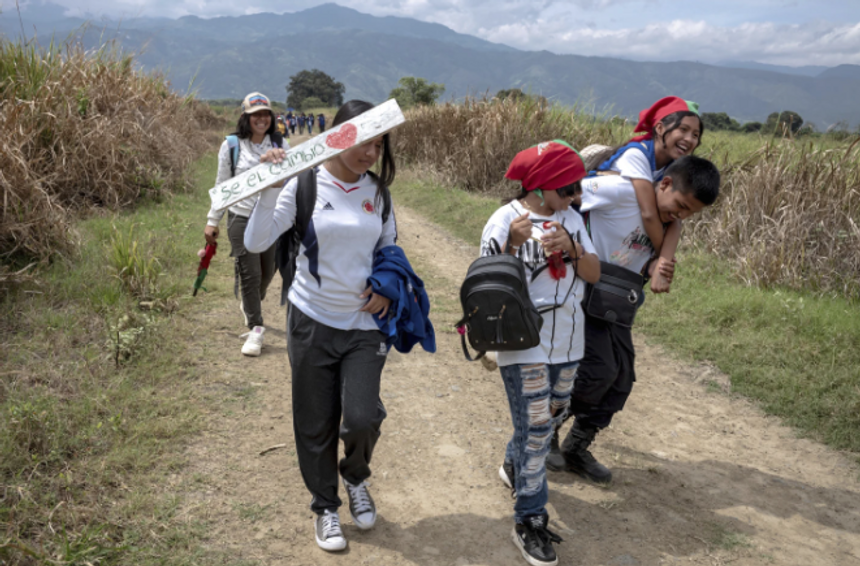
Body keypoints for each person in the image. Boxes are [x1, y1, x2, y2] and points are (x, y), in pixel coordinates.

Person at [245, 100, 400, 553]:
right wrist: (269, 187)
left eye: (378, 143)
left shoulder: (380, 194)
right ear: (335, 136)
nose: (371, 152)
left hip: (364, 326)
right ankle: (325, 506)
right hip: (311, 320)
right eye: (362, 141)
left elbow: (390, 249)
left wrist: (388, 288)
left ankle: (355, 478)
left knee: (361, 416)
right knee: (315, 421)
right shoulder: (304, 184)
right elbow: (257, 241)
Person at [549, 155, 720, 485]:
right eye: (680, 205)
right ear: (665, 183)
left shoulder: (670, 224)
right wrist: (567, 241)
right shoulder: (618, 191)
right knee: (597, 371)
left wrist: (660, 263)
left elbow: (665, 241)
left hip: (618, 302)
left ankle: (576, 447)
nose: (681, 215)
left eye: (690, 213)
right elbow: (563, 196)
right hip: (585, 290)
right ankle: (545, 432)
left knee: (620, 378)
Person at [483, 141, 600, 566]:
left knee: (553, 413)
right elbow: (487, 283)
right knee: (536, 432)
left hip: (569, 340)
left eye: (576, 188)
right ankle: (529, 519)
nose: (574, 196)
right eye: (567, 188)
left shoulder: (573, 220)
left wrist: (572, 248)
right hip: (523, 342)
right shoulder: (504, 220)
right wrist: (512, 248)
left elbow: (593, 274)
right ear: (541, 184)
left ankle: (514, 463)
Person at [590, 96, 704, 294]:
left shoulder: (672, 166)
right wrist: (660, 258)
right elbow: (649, 213)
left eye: (695, 134)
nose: (689, 139)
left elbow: (675, 222)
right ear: (660, 129)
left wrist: (663, 261)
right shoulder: (637, 155)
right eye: (683, 130)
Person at [203, 92, 286, 356]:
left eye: (265, 114)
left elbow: (292, 179)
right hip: (240, 216)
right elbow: (222, 185)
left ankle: (249, 303)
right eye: (255, 115)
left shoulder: (280, 142)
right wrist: (212, 220)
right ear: (245, 118)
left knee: (268, 270)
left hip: (271, 218)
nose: (261, 119)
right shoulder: (231, 145)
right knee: (250, 273)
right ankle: (256, 328)